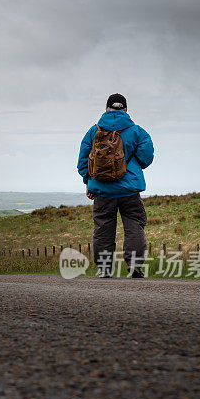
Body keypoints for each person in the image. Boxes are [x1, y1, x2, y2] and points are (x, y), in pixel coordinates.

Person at [77, 93, 154, 278]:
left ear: (106, 109)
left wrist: (88, 181)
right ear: (126, 110)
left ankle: (104, 269)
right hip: (129, 190)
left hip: (102, 190)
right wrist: (133, 164)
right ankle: (135, 265)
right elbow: (146, 157)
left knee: (103, 228)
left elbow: (82, 162)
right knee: (134, 225)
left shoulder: (93, 132)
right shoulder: (137, 131)